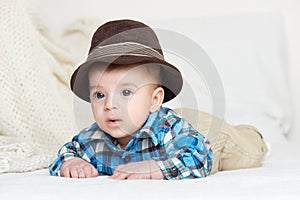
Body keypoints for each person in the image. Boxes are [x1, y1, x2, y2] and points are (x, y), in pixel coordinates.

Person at [49, 19, 213, 180]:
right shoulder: (92, 138)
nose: (109, 105)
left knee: (233, 147)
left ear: (154, 99)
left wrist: (154, 168)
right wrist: (71, 162)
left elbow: (200, 156)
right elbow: (68, 151)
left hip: (207, 134)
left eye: (126, 92)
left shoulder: (169, 130)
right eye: (100, 95)